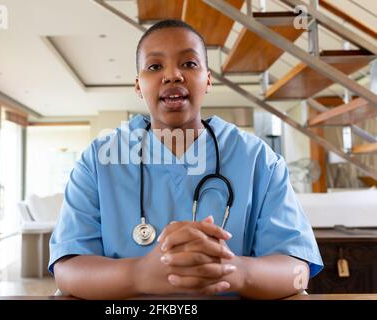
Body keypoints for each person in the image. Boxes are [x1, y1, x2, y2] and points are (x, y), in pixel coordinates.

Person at [48, 19, 323, 300]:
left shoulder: (258, 159)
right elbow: (67, 271)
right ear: (138, 86)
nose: (172, 75)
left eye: (189, 64)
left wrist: (232, 270)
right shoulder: (98, 160)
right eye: (154, 66)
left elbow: (297, 271)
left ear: (208, 79)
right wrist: (141, 273)